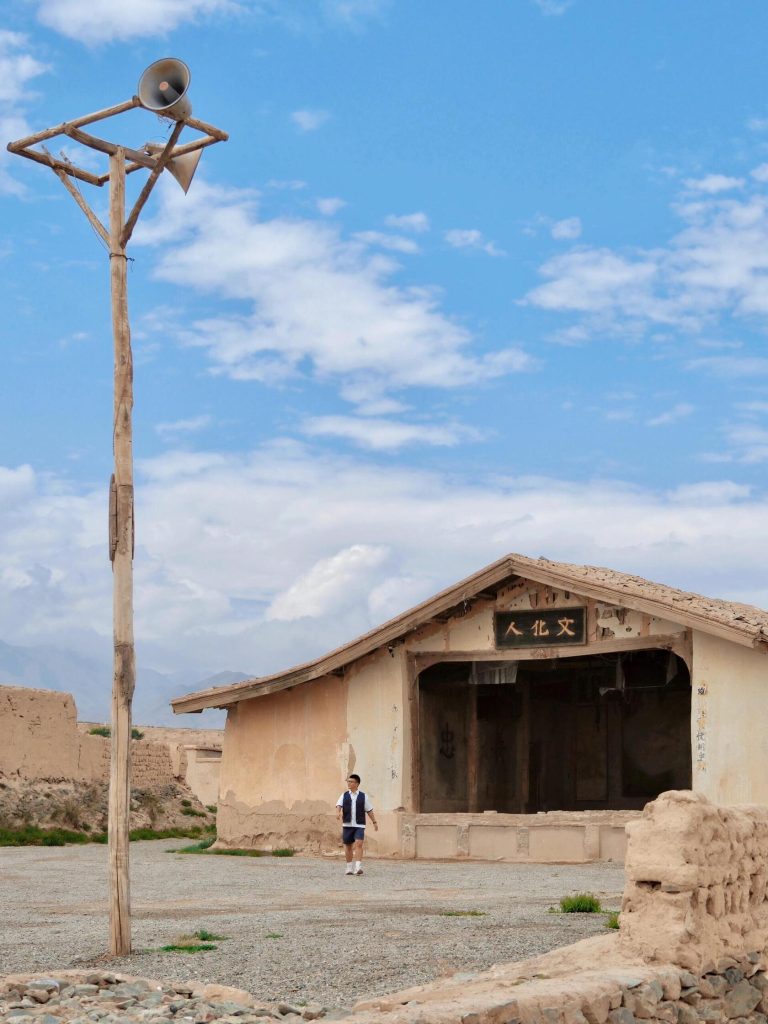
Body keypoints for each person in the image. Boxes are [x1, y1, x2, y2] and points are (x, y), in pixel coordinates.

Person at [336, 773, 378, 875]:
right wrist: (338, 812)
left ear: (357, 783)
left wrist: (374, 822)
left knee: (359, 843)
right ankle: (349, 868)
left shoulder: (364, 796)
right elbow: (339, 805)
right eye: (348, 781)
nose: (349, 783)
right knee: (348, 846)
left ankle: (358, 867)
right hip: (347, 824)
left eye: (351, 782)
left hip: (359, 825)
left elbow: (369, 810)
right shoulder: (344, 795)